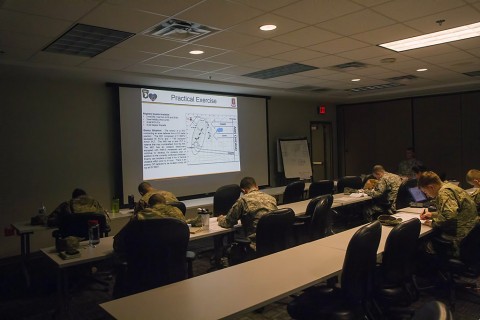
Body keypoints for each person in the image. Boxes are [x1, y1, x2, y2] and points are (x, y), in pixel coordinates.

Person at [418, 171, 478, 257]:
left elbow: (449, 218)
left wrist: (432, 223)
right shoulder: (449, 186)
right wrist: (432, 215)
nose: (426, 195)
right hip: (471, 234)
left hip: (461, 237)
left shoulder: (444, 193)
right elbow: (453, 212)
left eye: (425, 192)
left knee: (423, 244)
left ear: (431, 187)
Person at [217, 177, 277, 251]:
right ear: (257, 187)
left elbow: (228, 223)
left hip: (255, 244)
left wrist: (220, 218)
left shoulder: (243, 200)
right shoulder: (271, 198)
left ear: (243, 191)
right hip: (275, 241)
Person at [113, 194, 185, 256]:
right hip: (172, 257)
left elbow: (119, 241)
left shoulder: (140, 216)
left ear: (149, 205)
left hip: (145, 259)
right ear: (165, 203)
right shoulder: (177, 212)